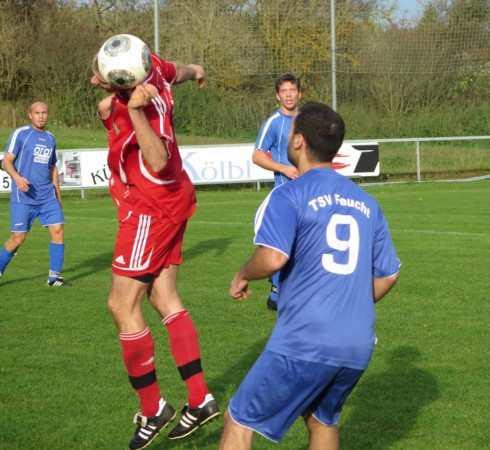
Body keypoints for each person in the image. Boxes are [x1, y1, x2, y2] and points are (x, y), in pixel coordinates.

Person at [220, 102, 400, 449]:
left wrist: (243, 272)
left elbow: (273, 258)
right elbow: (389, 275)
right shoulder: (367, 202)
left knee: (239, 421)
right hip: (357, 343)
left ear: (299, 142)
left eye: (291, 132)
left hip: (305, 339)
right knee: (321, 419)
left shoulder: (289, 194)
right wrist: (349, 305)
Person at [90, 41, 219, 449]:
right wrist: (197, 69)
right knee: (164, 296)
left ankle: (153, 408)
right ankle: (200, 400)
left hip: (150, 207)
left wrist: (131, 111)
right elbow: (178, 68)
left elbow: (159, 158)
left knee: (121, 305)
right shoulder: (156, 70)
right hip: (173, 200)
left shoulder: (138, 106)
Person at [0, 102, 71, 286]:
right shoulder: (20, 134)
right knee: (18, 238)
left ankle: (54, 278)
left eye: (44, 113)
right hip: (23, 197)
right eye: (37, 113)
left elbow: (52, 168)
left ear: (48, 115)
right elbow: (7, 161)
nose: (41, 116)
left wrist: (58, 196)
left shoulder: (51, 138)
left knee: (58, 230)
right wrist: (16, 178)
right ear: (30, 115)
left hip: (47, 196)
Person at [252, 73, 302, 311]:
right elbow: (257, 155)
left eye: (292, 90)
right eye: (284, 91)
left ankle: (284, 291)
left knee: (305, 244)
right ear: (277, 95)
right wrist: (284, 167)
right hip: (285, 193)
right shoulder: (273, 123)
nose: (289, 94)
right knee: (285, 245)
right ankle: (276, 292)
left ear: (299, 93)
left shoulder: (308, 120)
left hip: (309, 192)